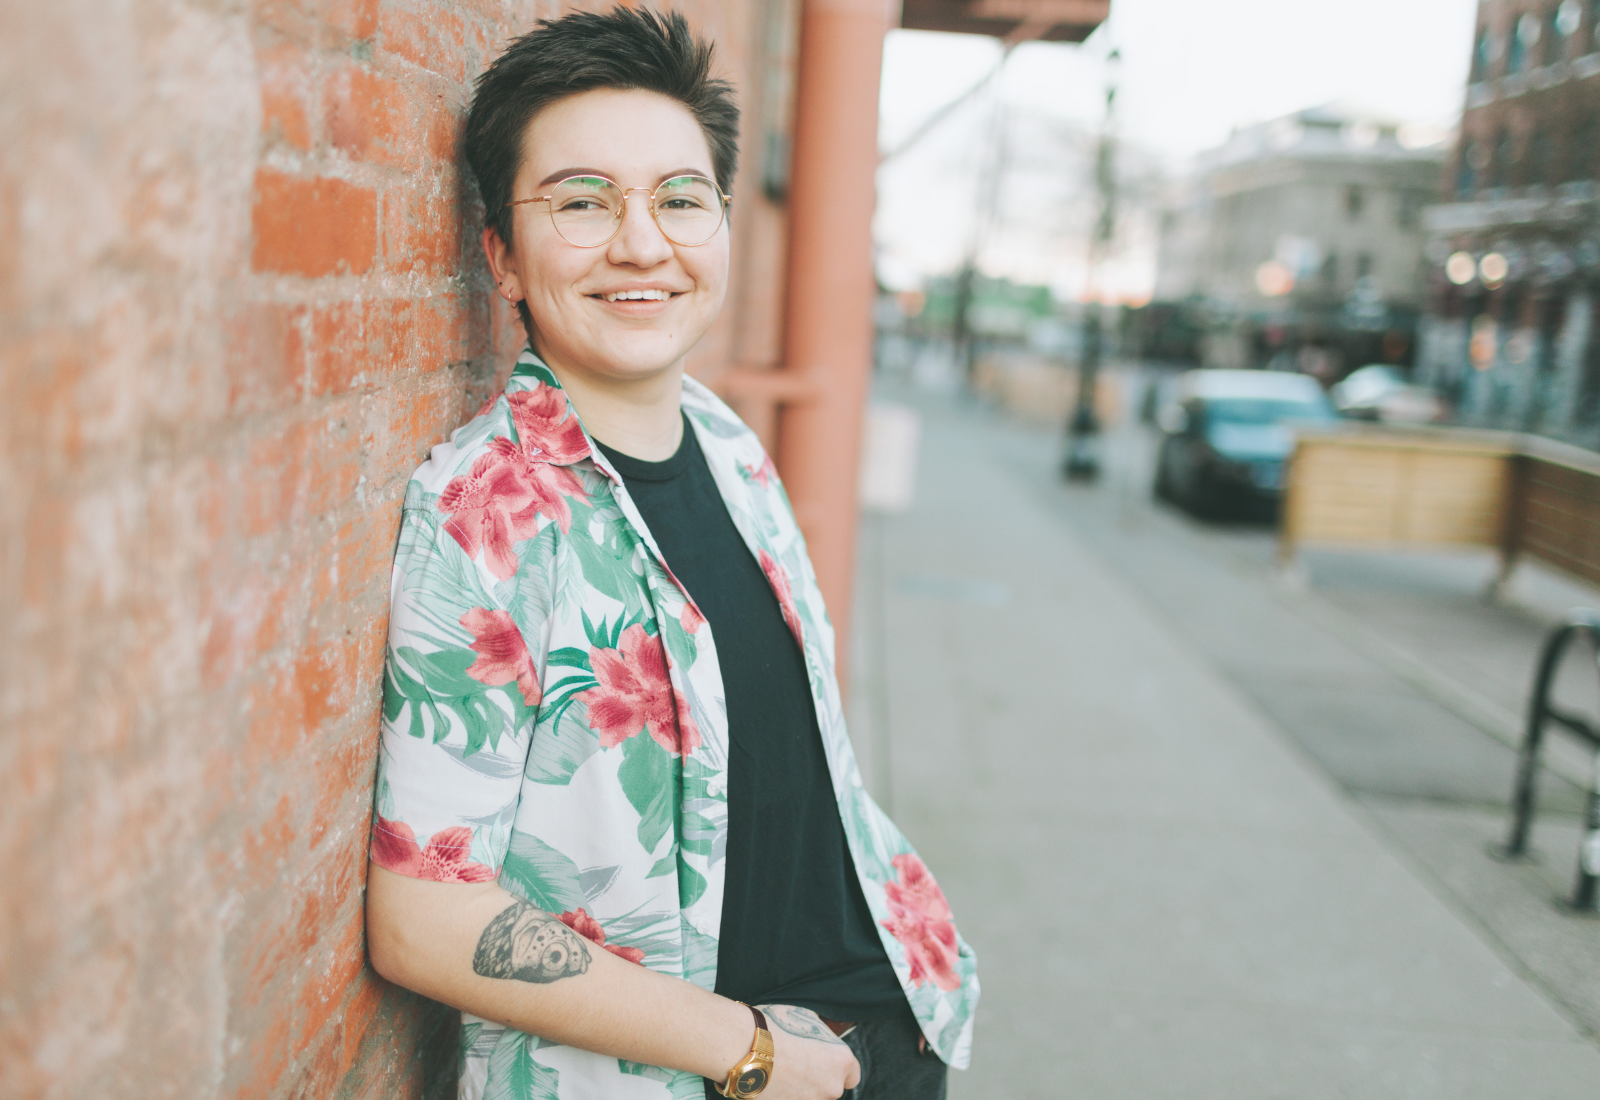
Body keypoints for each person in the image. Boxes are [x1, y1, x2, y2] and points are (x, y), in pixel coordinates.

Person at [363, 9, 979, 1099]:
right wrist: (753, 1053)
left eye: (680, 199)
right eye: (582, 202)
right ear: (501, 256)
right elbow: (424, 913)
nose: (641, 242)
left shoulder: (731, 446)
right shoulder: (486, 512)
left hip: (884, 1021)